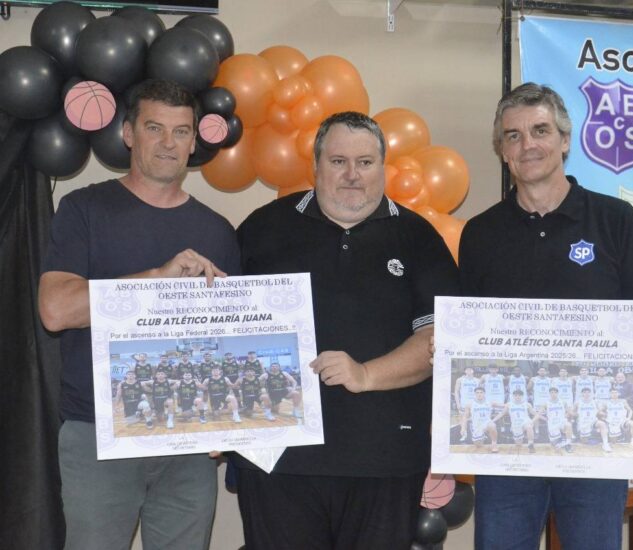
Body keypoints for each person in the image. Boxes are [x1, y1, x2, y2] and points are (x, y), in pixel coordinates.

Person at [457, 82, 633, 550]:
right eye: (513, 136)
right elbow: (464, 336)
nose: (527, 144)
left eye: (540, 130)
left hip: (594, 447)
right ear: (502, 151)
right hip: (509, 450)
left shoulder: (615, 220)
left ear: (564, 140)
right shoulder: (480, 233)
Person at [230, 111, 460, 549]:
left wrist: (366, 374)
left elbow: (440, 339)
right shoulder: (263, 228)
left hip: (385, 461)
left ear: (382, 167)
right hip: (276, 461)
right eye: (338, 161)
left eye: (365, 162)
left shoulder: (418, 237)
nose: (352, 174)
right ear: (316, 166)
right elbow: (220, 329)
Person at [38, 78, 241, 550]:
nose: (168, 143)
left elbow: (229, 341)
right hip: (100, 434)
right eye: (155, 128)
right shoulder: (84, 209)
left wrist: (229, 422)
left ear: (193, 142)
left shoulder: (218, 231)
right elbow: (55, 310)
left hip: (189, 441)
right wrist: (155, 280)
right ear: (129, 134)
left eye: (181, 131)